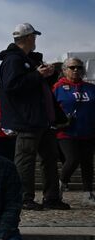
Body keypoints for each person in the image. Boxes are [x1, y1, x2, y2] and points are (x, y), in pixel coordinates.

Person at [0, 23, 70, 211]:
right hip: (27, 120)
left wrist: (48, 75)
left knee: (50, 158)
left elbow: (33, 85)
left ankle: (51, 197)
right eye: (34, 37)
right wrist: (37, 75)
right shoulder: (13, 60)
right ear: (29, 38)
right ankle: (23, 198)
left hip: (41, 119)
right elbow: (12, 85)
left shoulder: (27, 59)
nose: (35, 41)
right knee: (26, 159)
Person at [53, 57, 95, 206]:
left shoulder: (91, 88)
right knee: (72, 159)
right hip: (66, 132)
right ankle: (59, 188)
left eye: (79, 67)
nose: (76, 70)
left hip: (88, 132)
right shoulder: (57, 88)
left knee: (87, 163)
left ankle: (88, 193)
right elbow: (49, 108)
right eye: (72, 67)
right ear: (64, 70)